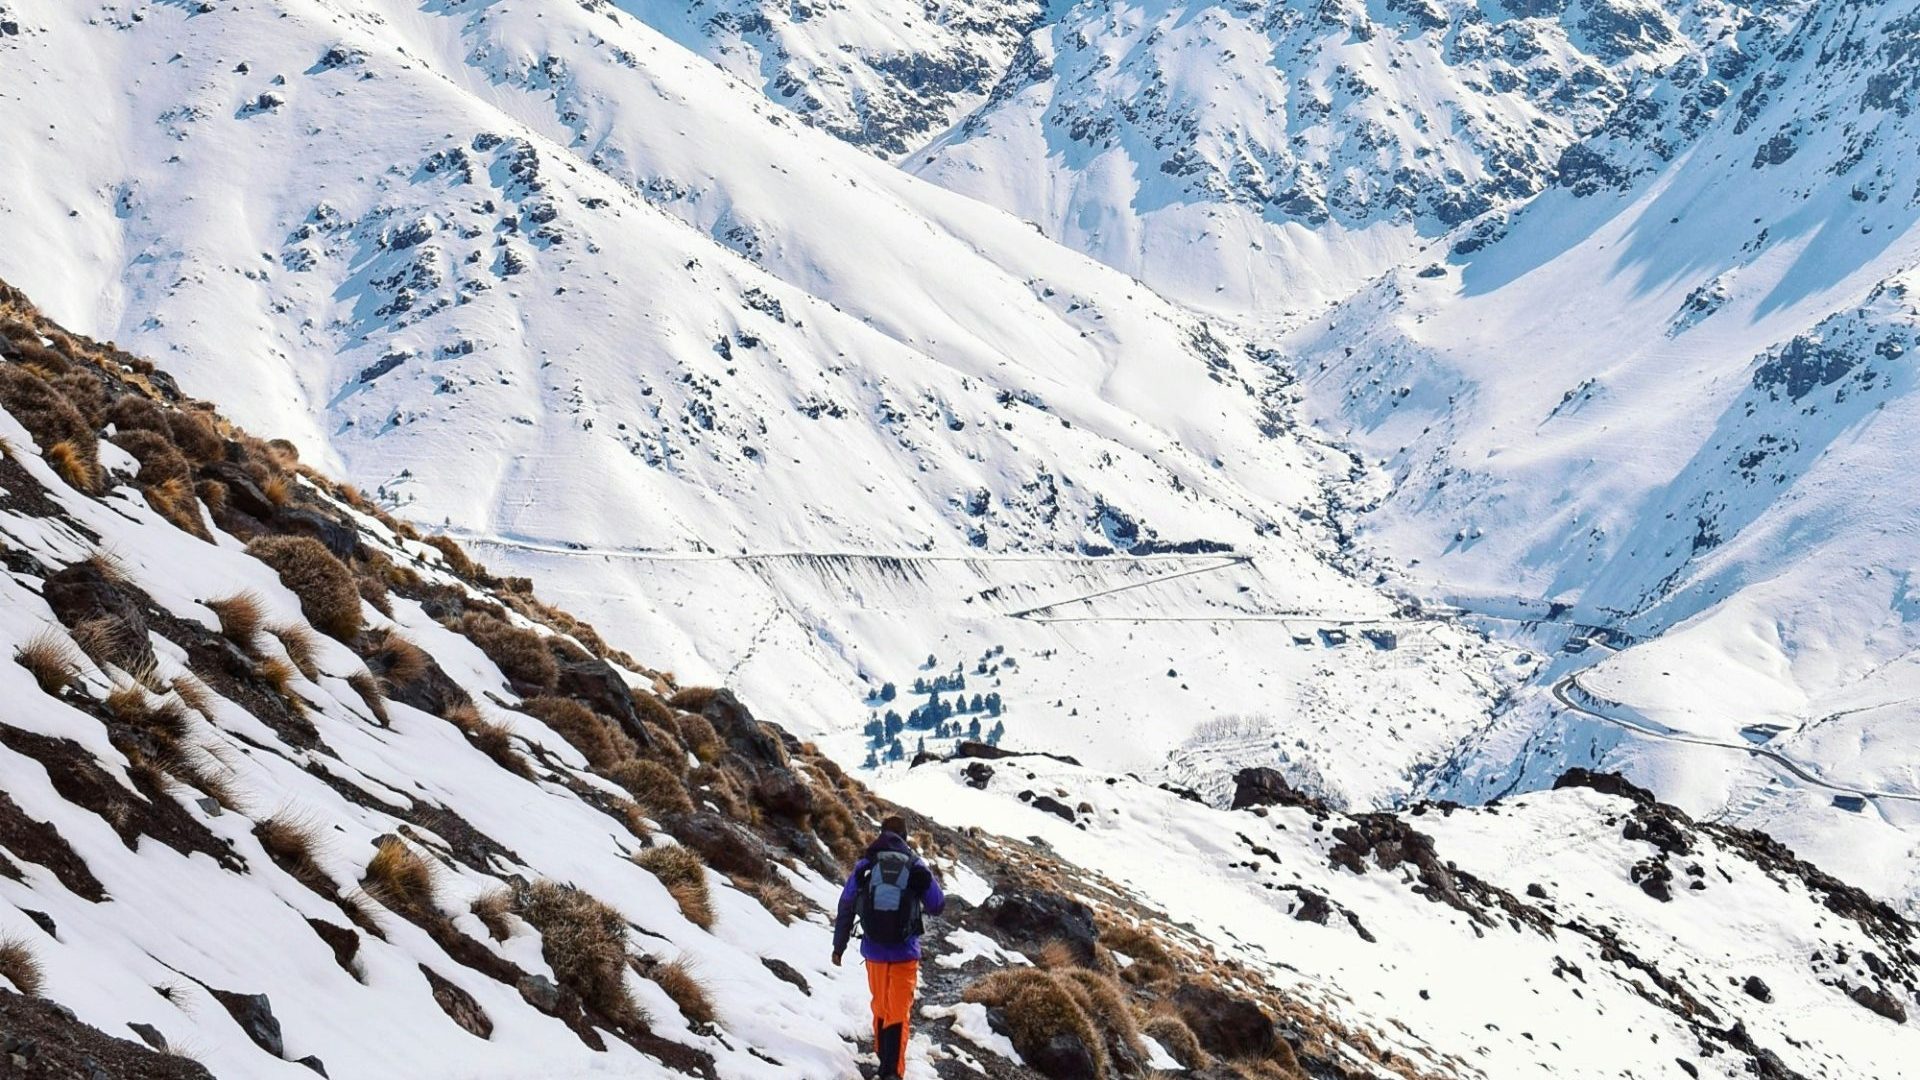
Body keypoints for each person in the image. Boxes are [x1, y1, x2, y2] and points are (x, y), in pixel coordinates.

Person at [833, 814, 945, 1079]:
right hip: (905, 953)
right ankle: (892, 1072)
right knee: (898, 1012)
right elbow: (937, 905)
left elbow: (846, 904)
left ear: (881, 834)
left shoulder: (866, 865)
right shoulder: (915, 865)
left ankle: (885, 1062)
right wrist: (921, 881)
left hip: (874, 952)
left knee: (881, 1007)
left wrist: (839, 945)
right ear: (904, 838)